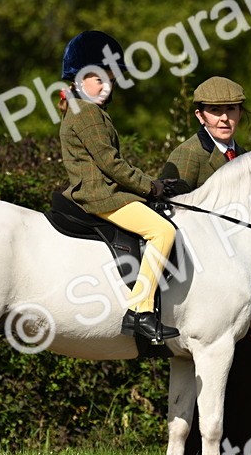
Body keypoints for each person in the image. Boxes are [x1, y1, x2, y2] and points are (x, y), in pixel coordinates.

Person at [161, 76, 251, 455]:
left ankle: (243, 448)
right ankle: (202, 450)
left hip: (228, 284)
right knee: (225, 354)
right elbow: (170, 212)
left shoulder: (245, 159)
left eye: (231, 110)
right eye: (216, 111)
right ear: (200, 116)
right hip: (194, 283)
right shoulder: (188, 155)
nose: (224, 118)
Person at [58, 30, 189, 343]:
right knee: (163, 231)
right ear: (77, 79)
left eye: (111, 81)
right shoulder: (87, 114)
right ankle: (141, 311)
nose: (106, 88)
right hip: (100, 196)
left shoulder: (83, 109)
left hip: (100, 192)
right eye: (98, 80)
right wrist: (151, 187)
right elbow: (112, 165)